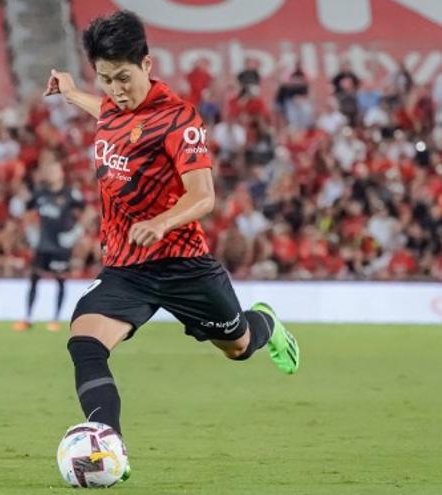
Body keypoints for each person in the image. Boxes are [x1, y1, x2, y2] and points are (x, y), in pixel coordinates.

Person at [44, 9, 300, 477]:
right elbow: (103, 109)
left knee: (239, 347)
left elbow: (204, 196)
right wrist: (70, 92)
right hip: (126, 267)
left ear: (147, 64)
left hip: (184, 265)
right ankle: (109, 445)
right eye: (105, 79)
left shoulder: (178, 118)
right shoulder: (112, 106)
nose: (117, 90)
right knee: (84, 341)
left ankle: (265, 321)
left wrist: (161, 222)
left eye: (124, 77)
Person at [13, 160, 84, 332]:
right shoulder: (40, 193)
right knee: (34, 279)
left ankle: (55, 319)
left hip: (61, 247)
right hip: (42, 245)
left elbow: (86, 211)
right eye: (49, 170)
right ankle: (28, 317)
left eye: (54, 170)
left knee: (60, 281)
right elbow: (26, 209)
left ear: (61, 173)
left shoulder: (70, 194)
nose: (51, 173)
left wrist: (75, 232)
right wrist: (30, 230)